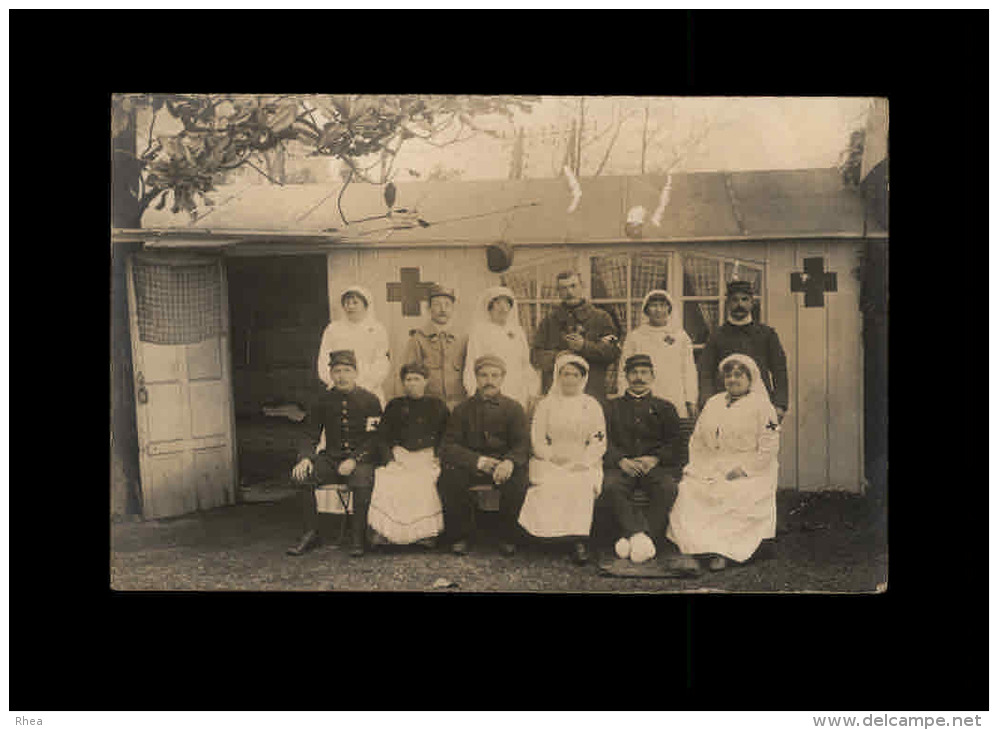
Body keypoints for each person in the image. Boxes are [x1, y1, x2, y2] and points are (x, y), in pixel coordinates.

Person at [667, 353, 781, 571]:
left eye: (739, 375)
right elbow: (697, 440)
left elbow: (769, 448)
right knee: (691, 489)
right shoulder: (714, 402)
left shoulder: (763, 406)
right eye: (728, 375)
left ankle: (724, 552)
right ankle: (696, 548)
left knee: (733, 492)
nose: (733, 380)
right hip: (712, 463)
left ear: (750, 379)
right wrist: (699, 467)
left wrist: (744, 469)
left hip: (750, 467)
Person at [288, 350, 383, 558]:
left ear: (356, 373)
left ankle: (358, 537)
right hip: (331, 458)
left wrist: (355, 459)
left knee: (361, 480)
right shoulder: (322, 400)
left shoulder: (370, 400)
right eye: (337, 371)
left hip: (361, 459)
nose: (342, 376)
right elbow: (309, 433)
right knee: (302, 477)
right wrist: (305, 458)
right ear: (330, 374)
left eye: (347, 370)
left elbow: (375, 438)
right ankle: (311, 532)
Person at [517, 353, 606, 565]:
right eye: (565, 374)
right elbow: (537, 438)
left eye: (575, 374)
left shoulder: (591, 405)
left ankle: (576, 540)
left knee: (581, 483)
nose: (570, 379)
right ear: (558, 375)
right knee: (550, 484)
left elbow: (598, 440)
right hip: (550, 458)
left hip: (583, 459)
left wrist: (582, 461)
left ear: (583, 378)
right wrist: (552, 456)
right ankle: (548, 539)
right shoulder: (546, 404)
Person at [438, 354, 530, 556]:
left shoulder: (514, 409)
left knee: (519, 480)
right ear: (475, 378)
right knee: (450, 477)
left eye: (495, 375)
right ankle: (460, 535)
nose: (489, 381)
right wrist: (477, 461)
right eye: (484, 375)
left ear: (503, 378)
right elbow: (448, 446)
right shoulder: (462, 410)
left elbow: (522, 444)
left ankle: (507, 536)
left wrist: (509, 462)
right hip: (472, 465)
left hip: (503, 465)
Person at [601, 354, 682, 564]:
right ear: (626, 376)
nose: (639, 377)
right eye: (634, 373)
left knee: (668, 488)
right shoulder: (611, 407)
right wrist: (620, 460)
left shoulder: (665, 408)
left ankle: (636, 537)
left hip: (653, 467)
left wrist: (655, 458)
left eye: (644, 373)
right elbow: (601, 440)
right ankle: (642, 538)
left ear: (653, 376)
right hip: (622, 466)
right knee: (610, 487)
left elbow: (675, 443)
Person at [367, 363, 450, 547]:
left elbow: (447, 435)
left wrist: (439, 456)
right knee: (387, 478)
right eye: (408, 380)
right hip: (401, 455)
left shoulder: (437, 405)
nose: (412, 384)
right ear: (403, 382)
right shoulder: (394, 405)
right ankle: (385, 533)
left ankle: (425, 534)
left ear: (425, 381)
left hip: (428, 455)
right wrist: (389, 459)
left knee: (423, 481)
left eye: (417, 379)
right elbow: (382, 437)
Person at [698, 279, 789, 421]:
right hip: (725, 403)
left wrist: (780, 404)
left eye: (744, 299)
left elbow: (779, 370)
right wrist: (707, 402)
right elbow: (705, 371)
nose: (739, 304)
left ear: (752, 302)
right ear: (728, 303)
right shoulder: (717, 336)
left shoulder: (766, 334)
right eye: (734, 300)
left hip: (761, 402)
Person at [531, 271, 620, 402]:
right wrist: (557, 357)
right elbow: (535, 356)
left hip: (592, 391)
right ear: (558, 292)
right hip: (558, 394)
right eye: (564, 288)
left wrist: (585, 346)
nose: (569, 292)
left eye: (573, 286)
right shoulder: (550, 321)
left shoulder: (601, 318)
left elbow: (613, 352)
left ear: (582, 286)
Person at [617, 289, 698, 419]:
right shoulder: (635, 337)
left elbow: (689, 370)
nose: (658, 310)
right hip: (643, 394)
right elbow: (623, 370)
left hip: (674, 394)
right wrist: (623, 397)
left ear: (669, 309)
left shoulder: (680, 336)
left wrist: (691, 399)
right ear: (646, 309)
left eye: (662, 305)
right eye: (653, 305)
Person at [463, 285, 539, 412]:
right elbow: (472, 362)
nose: (503, 308)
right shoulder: (479, 331)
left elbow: (525, 364)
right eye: (498, 303)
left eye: (507, 304)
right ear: (490, 307)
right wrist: (472, 391)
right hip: (489, 389)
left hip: (517, 391)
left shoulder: (517, 331)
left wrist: (531, 390)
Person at [317, 284, 391, 408]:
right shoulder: (333, 329)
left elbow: (382, 361)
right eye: (347, 303)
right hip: (338, 387)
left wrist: (365, 385)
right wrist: (335, 382)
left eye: (355, 302)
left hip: (369, 388)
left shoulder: (377, 329)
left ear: (365, 305)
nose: (350, 306)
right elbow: (324, 359)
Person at [401, 284, 468, 411]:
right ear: (429, 308)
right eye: (437, 304)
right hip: (428, 405)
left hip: (459, 404)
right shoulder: (418, 338)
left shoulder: (463, 338)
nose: (442, 309)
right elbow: (409, 373)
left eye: (447, 304)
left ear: (453, 308)